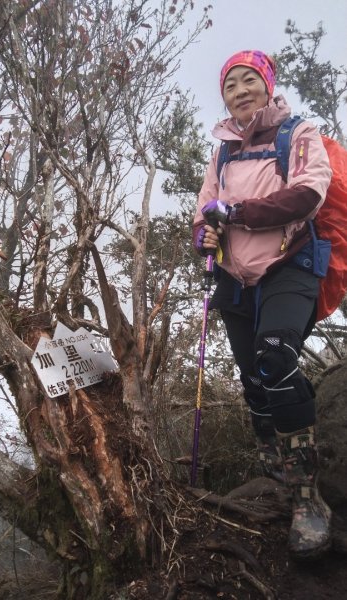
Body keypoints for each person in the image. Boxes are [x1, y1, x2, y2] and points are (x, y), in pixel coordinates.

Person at [193, 50, 332, 560]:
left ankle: (306, 497)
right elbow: (205, 207)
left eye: (249, 80)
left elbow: (309, 194)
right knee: (253, 376)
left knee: (275, 358)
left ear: (267, 85)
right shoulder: (223, 151)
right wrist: (203, 234)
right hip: (234, 276)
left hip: (288, 265)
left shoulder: (296, 133)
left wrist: (238, 213)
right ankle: (274, 462)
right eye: (231, 85)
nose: (239, 90)